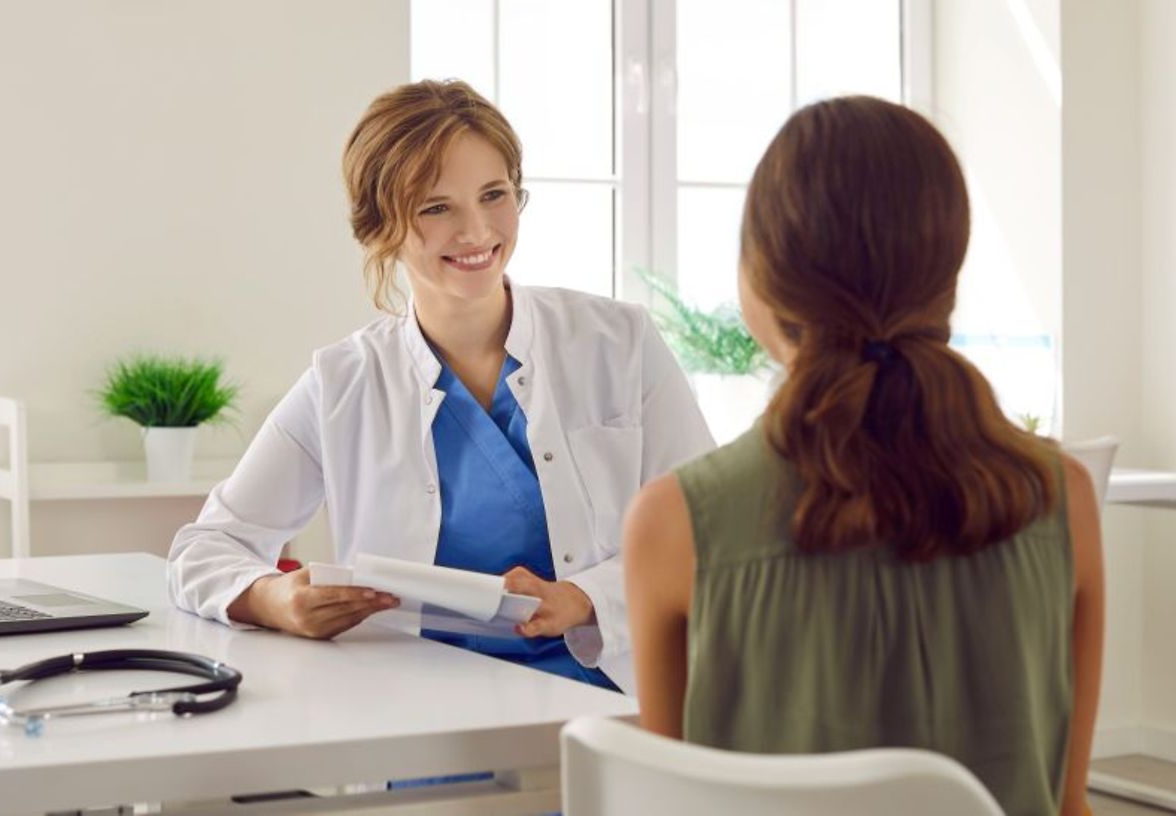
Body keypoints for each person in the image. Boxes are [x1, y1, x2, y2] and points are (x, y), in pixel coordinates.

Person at [623, 96, 1103, 815]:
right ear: (948, 273)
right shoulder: (1063, 497)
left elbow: (664, 806)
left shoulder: (673, 523)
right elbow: (1070, 805)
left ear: (759, 275)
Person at [169, 79, 714, 693]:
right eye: (436, 207)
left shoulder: (619, 342)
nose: (476, 231)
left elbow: (712, 528)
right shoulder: (344, 382)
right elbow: (204, 548)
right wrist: (272, 599)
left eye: (494, 195)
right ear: (380, 226)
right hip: (420, 706)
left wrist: (586, 598)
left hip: (610, 692)